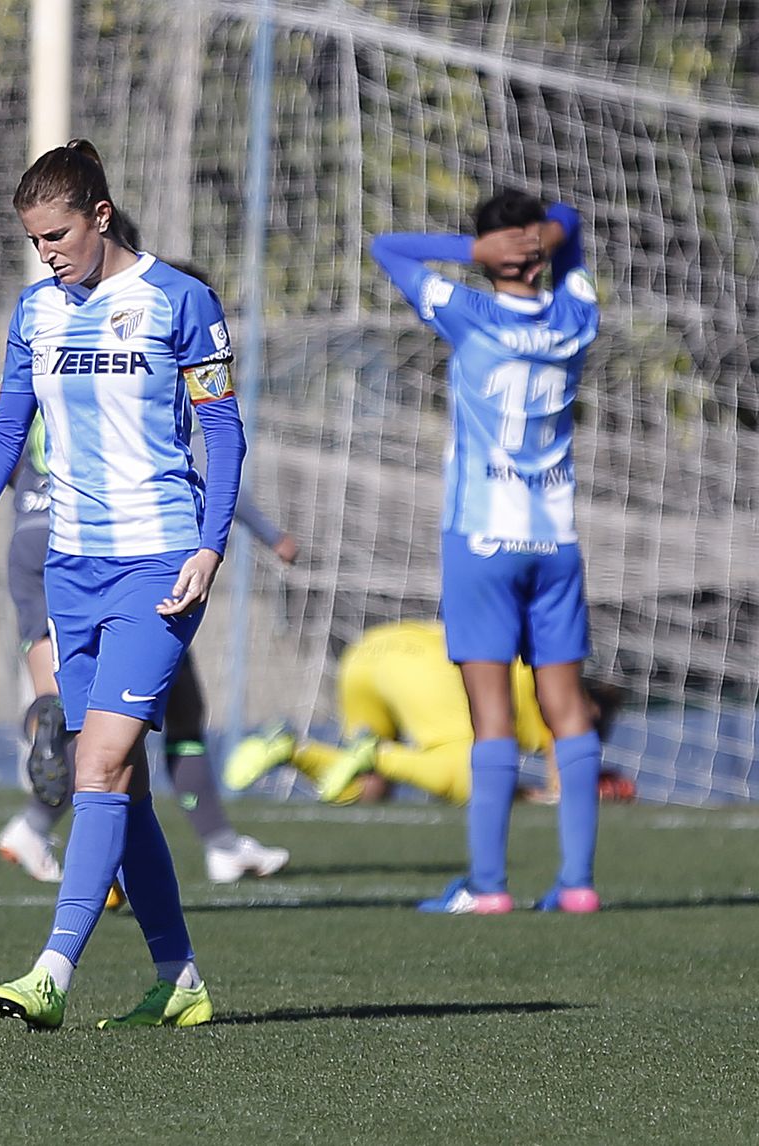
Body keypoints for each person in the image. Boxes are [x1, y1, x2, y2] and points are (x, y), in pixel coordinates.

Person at [0, 140, 244, 1030]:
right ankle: (179, 977)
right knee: (123, 782)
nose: (49, 255)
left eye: (59, 235)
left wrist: (211, 546)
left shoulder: (180, 302)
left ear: (100, 216)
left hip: (159, 563)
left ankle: (52, 973)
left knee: (97, 762)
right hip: (71, 569)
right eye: (35, 242)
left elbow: (224, 434)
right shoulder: (36, 312)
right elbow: (6, 425)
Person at [369, 190, 602, 914]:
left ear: (492, 252)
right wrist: (544, 238)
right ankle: (577, 885)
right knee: (568, 711)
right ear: (541, 254)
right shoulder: (576, 314)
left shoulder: (467, 312)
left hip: (482, 540)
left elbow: (388, 247)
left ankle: (489, 886)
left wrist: (472, 252)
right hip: (555, 542)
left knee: (493, 719)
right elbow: (572, 218)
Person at [0, 412, 293, 884]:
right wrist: (268, 533)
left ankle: (36, 808)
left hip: (30, 539)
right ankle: (193, 848)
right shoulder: (136, 364)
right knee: (174, 709)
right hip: (107, 545)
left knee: (64, 703)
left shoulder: (43, 349)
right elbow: (200, 463)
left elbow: (3, 438)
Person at [225, 619, 629, 807]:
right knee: (482, 780)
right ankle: (376, 752)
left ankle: (289, 748)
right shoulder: (560, 695)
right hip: (429, 669)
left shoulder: (535, 664)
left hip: (369, 652)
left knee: (371, 790)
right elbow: (561, 791)